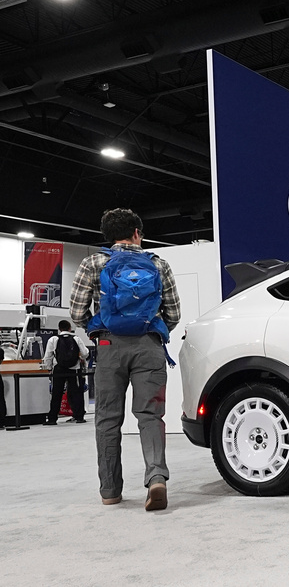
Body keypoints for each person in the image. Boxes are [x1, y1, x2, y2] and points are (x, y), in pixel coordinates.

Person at [70, 208, 180, 511]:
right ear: (137, 233)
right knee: (150, 416)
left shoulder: (93, 263)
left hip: (108, 346)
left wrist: (98, 331)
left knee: (107, 420)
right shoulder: (158, 265)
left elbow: (77, 312)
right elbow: (174, 313)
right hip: (149, 346)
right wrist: (151, 332)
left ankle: (110, 491)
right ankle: (156, 477)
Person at [41, 320, 89, 425]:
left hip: (58, 369)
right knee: (76, 393)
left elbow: (48, 355)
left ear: (59, 329)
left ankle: (53, 418)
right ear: (70, 328)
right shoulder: (76, 338)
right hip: (74, 369)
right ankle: (79, 416)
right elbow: (85, 353)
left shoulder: (53, 339)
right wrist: (80, 357)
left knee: (56, 393)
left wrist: (49, 368)